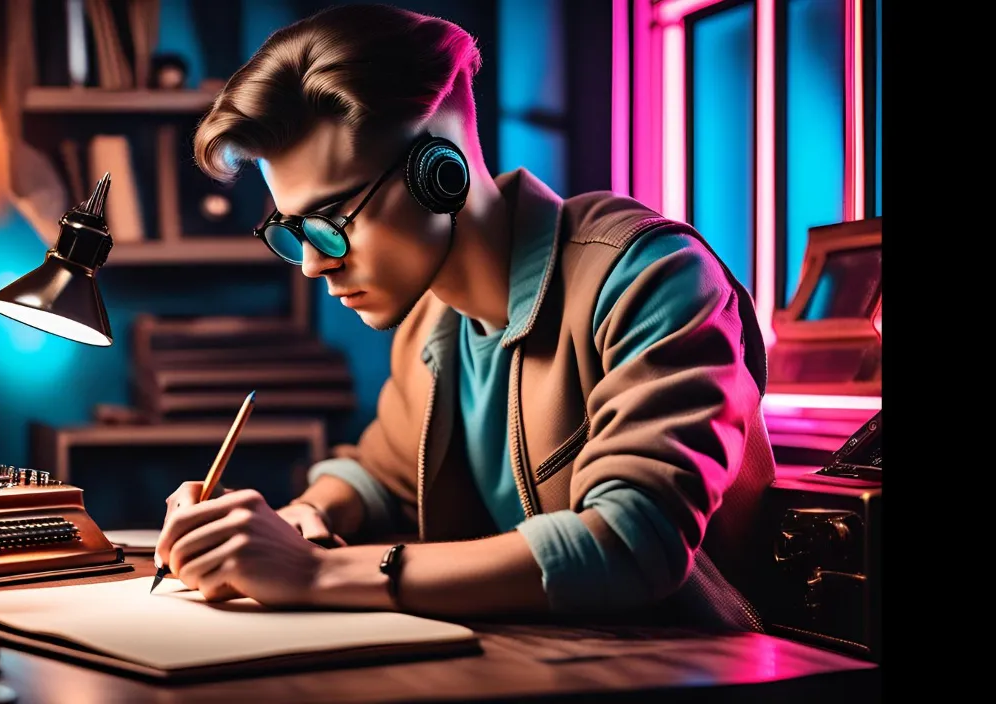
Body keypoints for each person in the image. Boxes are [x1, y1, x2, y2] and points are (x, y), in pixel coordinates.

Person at [153, 3, 775, 630]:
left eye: (332, 222)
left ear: (439, 172)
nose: (313, 265)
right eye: (292, 230)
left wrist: (313, 572)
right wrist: (302, 518)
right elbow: (381, 473)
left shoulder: (652, 277)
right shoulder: (430, 321)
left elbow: (633, 541)